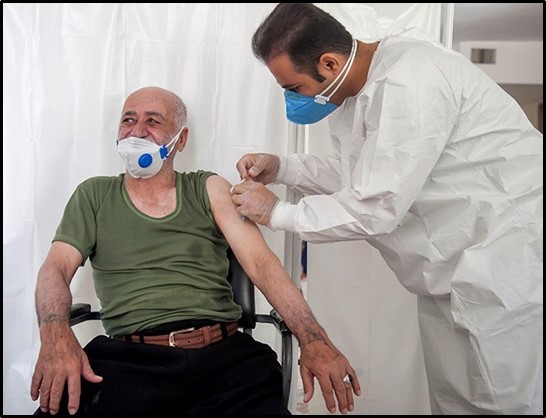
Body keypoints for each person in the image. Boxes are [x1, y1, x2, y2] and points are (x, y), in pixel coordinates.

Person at [231, 3, 543, 415]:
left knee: (501, 403)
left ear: (329, 62)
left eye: (295, 87)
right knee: (455, 402)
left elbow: (373, 206)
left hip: (500, 266)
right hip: (450, 273)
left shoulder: (410, 82)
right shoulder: (358, 92)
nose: (293, 98)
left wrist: (276, 214)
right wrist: (285, 167)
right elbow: (360, 174)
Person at [29, 86, 361, 416]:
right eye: (128, 120)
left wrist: (313, 338)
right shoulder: (93, 196)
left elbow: (262, 265)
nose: (137, 131)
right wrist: (55, 333)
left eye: (153, 121)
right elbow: (55, 269)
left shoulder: (209, 188)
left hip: (225, 361)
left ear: (181, 139)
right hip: (131, 363)